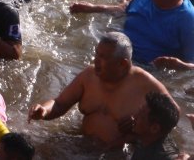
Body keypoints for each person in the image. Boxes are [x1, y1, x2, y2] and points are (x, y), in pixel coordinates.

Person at [28, 32, 172, 146]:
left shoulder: (145, 84)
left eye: (103, 57)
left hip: (117, 154)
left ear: (122, 64)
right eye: (97, 53)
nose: (95, 60)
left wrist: (137, 129)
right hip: (80, 143)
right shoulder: (89, 76)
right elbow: (60, 103)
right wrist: (44, 110)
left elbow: (172, 117)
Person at [70, 0, 194, 66]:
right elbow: (123, 12)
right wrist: (93, 8)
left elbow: (192, 65)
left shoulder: (188, 19)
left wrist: (180, 65)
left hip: (149, 70)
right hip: (119, 58)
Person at [128, 91, 182, 159]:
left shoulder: (164, 155)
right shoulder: (145, 137)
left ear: (154, 128)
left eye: (141, 116)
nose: (134, 117)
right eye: (138, 111)